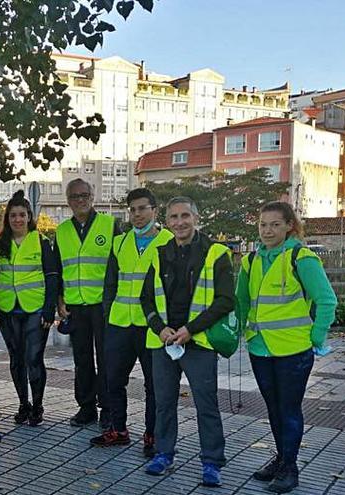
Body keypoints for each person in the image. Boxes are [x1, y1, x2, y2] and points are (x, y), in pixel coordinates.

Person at [236, 202, 336, 494]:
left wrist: (316, 339)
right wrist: (239, 332)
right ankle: (281, 459)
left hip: (293, 351)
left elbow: (327, 300)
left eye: (275, 225)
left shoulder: (301, 258)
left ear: (290, 226)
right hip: (260, 348)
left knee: (289, 409)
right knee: (274, 408)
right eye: (263, 225)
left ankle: (290, 468)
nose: (267, 230)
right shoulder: (250, 261)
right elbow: (242, 302)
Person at [140, 196, 234, 487]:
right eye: (173, 218)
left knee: (206, 405)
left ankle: (212, 462)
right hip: (165, 342)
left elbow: (225, 300)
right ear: (166, 222)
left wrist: (191, 329)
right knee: (164, 403)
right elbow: (145, 298)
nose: (179, 222)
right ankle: (164, 454)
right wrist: (160, 328)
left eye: (185, 216)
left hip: (199, 341)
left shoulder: (216, 253)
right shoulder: (159, 253)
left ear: (196, 217)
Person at [93, 188, 172, 455]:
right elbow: (110, 284)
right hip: (119, 323)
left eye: (142, 208)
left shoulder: (169, 242)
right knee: (113, 380)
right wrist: (108, 315)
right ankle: (119, 429)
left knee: (154, 384)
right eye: (133, 210)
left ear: (154, 210)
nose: (137, 214)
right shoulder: (120, 242)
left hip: (152, 328)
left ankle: (152, 434)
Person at [0, 191, 59, 426]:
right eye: (13, 215)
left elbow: (52, 276)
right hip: (8, 309)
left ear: (29, 217)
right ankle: (23, 404)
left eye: (22, 215)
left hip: (35, 309)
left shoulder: (41, 241)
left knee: (33, 359)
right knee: (16, 360)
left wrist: (49, 308)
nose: (17, 219)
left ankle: (37, 406)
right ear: (8, 219)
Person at [53, 178, 120, 429]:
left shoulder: (110, 224)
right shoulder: (61, 231)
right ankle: (86, 407)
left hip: (103, 305)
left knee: (106, 358)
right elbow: (58, 269)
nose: (80, 200)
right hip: (75, 306)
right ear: (68, 201)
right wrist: (60, 300)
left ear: (92, 196)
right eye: (74, 196)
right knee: (81, 359)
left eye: (84, 195)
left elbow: (118, 265)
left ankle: (108, 408)